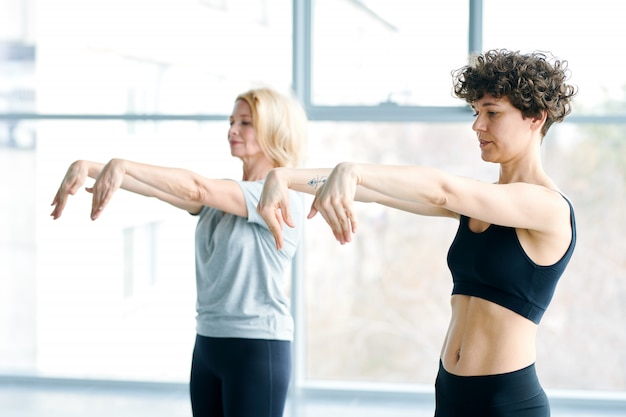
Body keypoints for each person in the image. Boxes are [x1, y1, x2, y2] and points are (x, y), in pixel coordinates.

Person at [257, 49, 577, 416]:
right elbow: (377, 192)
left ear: (536, 117)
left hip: (506, 403)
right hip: (450, 392)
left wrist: (353, 169)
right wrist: (283, 177)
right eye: (476, 113)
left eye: (492, 112)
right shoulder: (482, 201)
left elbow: (441, 188)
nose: (477, 126)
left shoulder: (549, 208)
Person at [50, 87, 308, 417]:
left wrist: (122, 165)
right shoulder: (221, 200)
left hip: (257, 347)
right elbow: (159, 188)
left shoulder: (278, 199)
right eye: (231, 121)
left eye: (245, 123)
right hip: (208, 343)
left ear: (274, 129)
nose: (232, 130)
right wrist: (90, 167)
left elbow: (197, 187)